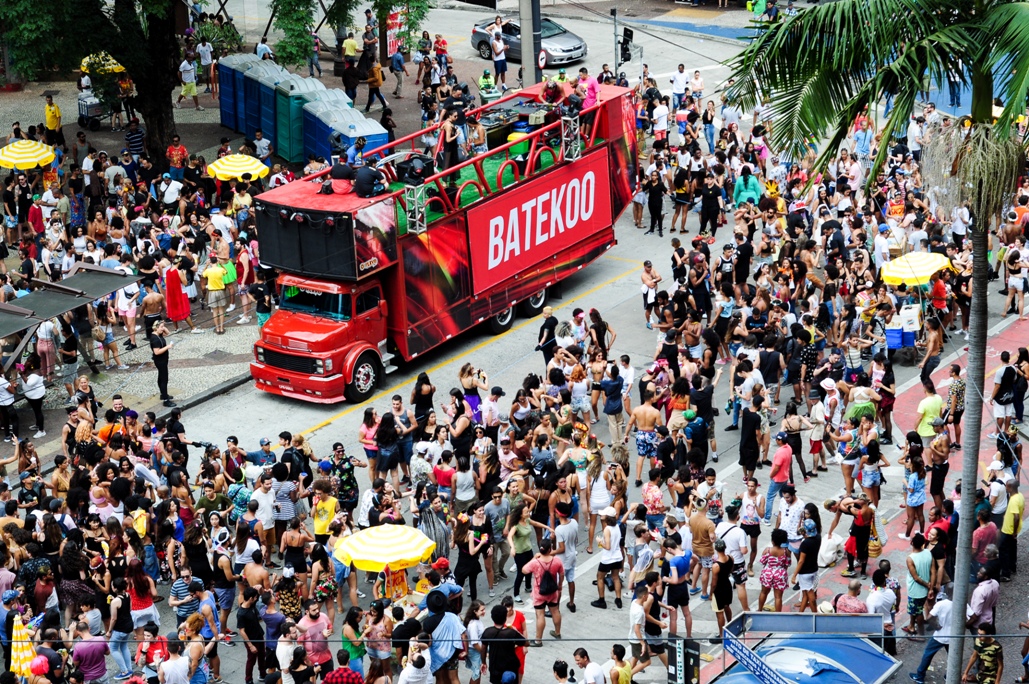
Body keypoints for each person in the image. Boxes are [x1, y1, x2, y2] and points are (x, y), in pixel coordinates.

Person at [909, 584, 953, 684]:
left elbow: (929, 618)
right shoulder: (962, 604)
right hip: (953, 637)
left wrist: (935, 626)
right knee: (953, 656)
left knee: (928, 654)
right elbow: (972, 617)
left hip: (940, 635)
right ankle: (950, 675)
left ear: (946, 592)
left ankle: (920, 676)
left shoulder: (941, 604)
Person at [480, 604, 525, 684]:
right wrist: (516, 630)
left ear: (492, 617)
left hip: (495, 666)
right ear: (505, 617)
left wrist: (483, 662)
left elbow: (483, 648)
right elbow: (526, 642)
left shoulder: (488, 632)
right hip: (510, 666)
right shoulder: (511, 632)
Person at [150, 320, 175, 408]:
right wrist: (167, 347)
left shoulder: (159, 334)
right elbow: (156, 352)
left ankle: (163, 394)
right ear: (156, 328)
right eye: (161, 327)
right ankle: (166, 400)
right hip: (160, 361)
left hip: (163, 359)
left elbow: (167, 333)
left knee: (161, 377)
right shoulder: (155, 339)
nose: (163, 329)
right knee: (164, 379)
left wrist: (163, 326)